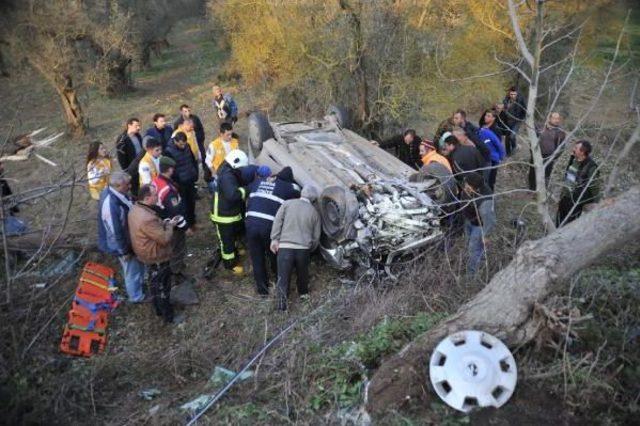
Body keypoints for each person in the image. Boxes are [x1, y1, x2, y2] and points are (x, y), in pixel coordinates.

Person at [128, 184, 181, 324]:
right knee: (163, 286)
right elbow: (164, 239)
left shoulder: (136, 209)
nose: (157, 197)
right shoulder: (147, 218)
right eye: (155, 195)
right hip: (155, 255)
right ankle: (169, 316)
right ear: (146, 198)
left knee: (154, 283)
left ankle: (158, 309)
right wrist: (170, 226)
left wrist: (162, 223)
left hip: (144, 253)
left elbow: (149, 229)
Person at [246, 166, 300, 296]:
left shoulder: (258, 182)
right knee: (274, 254)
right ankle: (279, 282)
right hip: (268, 226)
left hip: (250, 224)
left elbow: (249, 189)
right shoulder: (287, 187)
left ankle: (262, 291)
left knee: (257, 257)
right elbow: (298, 192)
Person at [270, 185, 322, 311]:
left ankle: (281, 307)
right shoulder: (314, 212)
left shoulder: (287, 204)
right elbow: (316, 236)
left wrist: (275, 239)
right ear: (314, 199)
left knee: (283, 278)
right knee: (303, 274)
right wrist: (310, 248)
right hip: (303, 249)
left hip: (285, 247)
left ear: (301, 193)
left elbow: (277, 222)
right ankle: (303, 296)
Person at [97, 171, 145, 303]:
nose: (129, 186)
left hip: (130, 237)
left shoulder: (118, 194)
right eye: (126, 185)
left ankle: (142, 285)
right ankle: (136, 297)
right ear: (117, 186)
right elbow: (115, 232)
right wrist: (124, 251)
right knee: (131, 269)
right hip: (121, 244)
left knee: (137, 264)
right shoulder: (110, 205)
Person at [209, 149, 249, 274]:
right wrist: (246, 190)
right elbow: (233, 195)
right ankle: (230, 264)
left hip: (228, 212)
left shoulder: (228, 170)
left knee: (232, 235)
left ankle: (235, 251)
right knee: (226, 241)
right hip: (222, 215)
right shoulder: (227, 176)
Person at [152, 156, 190, 283]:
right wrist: (185, 227)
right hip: (173, 226)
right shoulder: (168, 191)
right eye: (173, 168)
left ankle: (174, 268)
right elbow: (175, 213)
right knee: (177, 248)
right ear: (169, 170)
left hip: (162, 221)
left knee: (170, 248)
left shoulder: (155, 181)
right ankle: (176, 272)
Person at [556, 140, 600, 227]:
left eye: (576, 148)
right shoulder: (574, 159)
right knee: (558, 221)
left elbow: (594, 186)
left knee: (568, 225)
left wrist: (596, 203)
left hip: (575, 202)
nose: (573, 149)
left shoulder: (591, 166)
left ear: (582, 152)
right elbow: (567, 177)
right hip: (565, 197)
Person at [460, 172, 496, 275]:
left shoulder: (485, 201)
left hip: (479, 226)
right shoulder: (468, 187)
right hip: (469, 220)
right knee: (471, 245)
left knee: (474, 249)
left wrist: (486, 235)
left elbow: (490, 220)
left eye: (467, 185)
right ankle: (481, 262)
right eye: (465, 184)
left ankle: (471, 276)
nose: (465, 186)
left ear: (475, 188)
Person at [165, 132, 199, 230]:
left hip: (190, 179)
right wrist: (176, 182)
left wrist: (195, 173)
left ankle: (193, 222)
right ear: (175, 141)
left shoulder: (187, 146)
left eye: (184, 143)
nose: (183, 146)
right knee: (183, 204)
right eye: (181, 144)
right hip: (180, 183)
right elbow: (170, 169)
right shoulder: (168, 151)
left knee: (192, 202)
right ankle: (186, 225)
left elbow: (192, 160)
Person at [529, 112, 565, 191]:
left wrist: (554, 157)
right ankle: (531, 189)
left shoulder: (560, 132)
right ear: (549, 118)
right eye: (554, 118)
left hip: (549, 156)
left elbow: (562, 147)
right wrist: (532, 150)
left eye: (558, 118)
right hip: (536, 154)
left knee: (545, 174)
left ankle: (542, 190)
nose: (556, 120)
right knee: (533, 171)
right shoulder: (540, 127)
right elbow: (532, 138)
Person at [173, 104, 206, 175]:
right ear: (181, 112)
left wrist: (201, 139)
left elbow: (200, 129)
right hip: (187, 148)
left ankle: (206, 172)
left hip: (198, 143)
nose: (188, 112)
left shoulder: (195, 118)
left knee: (203, 158)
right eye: (185, 111)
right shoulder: (178, 122)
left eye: (188, 110)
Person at [479, 109, 506, 191]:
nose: (485, 117)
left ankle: (490, 197)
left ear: (493, 118)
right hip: (483, 156)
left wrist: (500, 157)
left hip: (493, 158)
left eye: (488, 116)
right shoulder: (482, 127)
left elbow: (498, 145)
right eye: (485, 115)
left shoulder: (496, 130)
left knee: (491, 180)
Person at [0, 161, 28, 236]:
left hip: (6, 213)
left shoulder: (2, 180)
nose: (2, 167)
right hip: (3, 215)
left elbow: (8, 195)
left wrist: (13, 208)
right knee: (18, 229)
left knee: (22, 228)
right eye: (0, 165)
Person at [503, 87, 527, 154]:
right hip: (507, 121)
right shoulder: (506, 100)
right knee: (507, 138)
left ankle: (514, 148)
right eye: (511, 94)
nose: (513, 96)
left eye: (514, 94)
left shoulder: (521, 100)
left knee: (512, 136)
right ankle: (508, 153)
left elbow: (525, 110)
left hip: (517, 121)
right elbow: (504, 110)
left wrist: (523, 119)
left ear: (517, 94)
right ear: (509, 94)